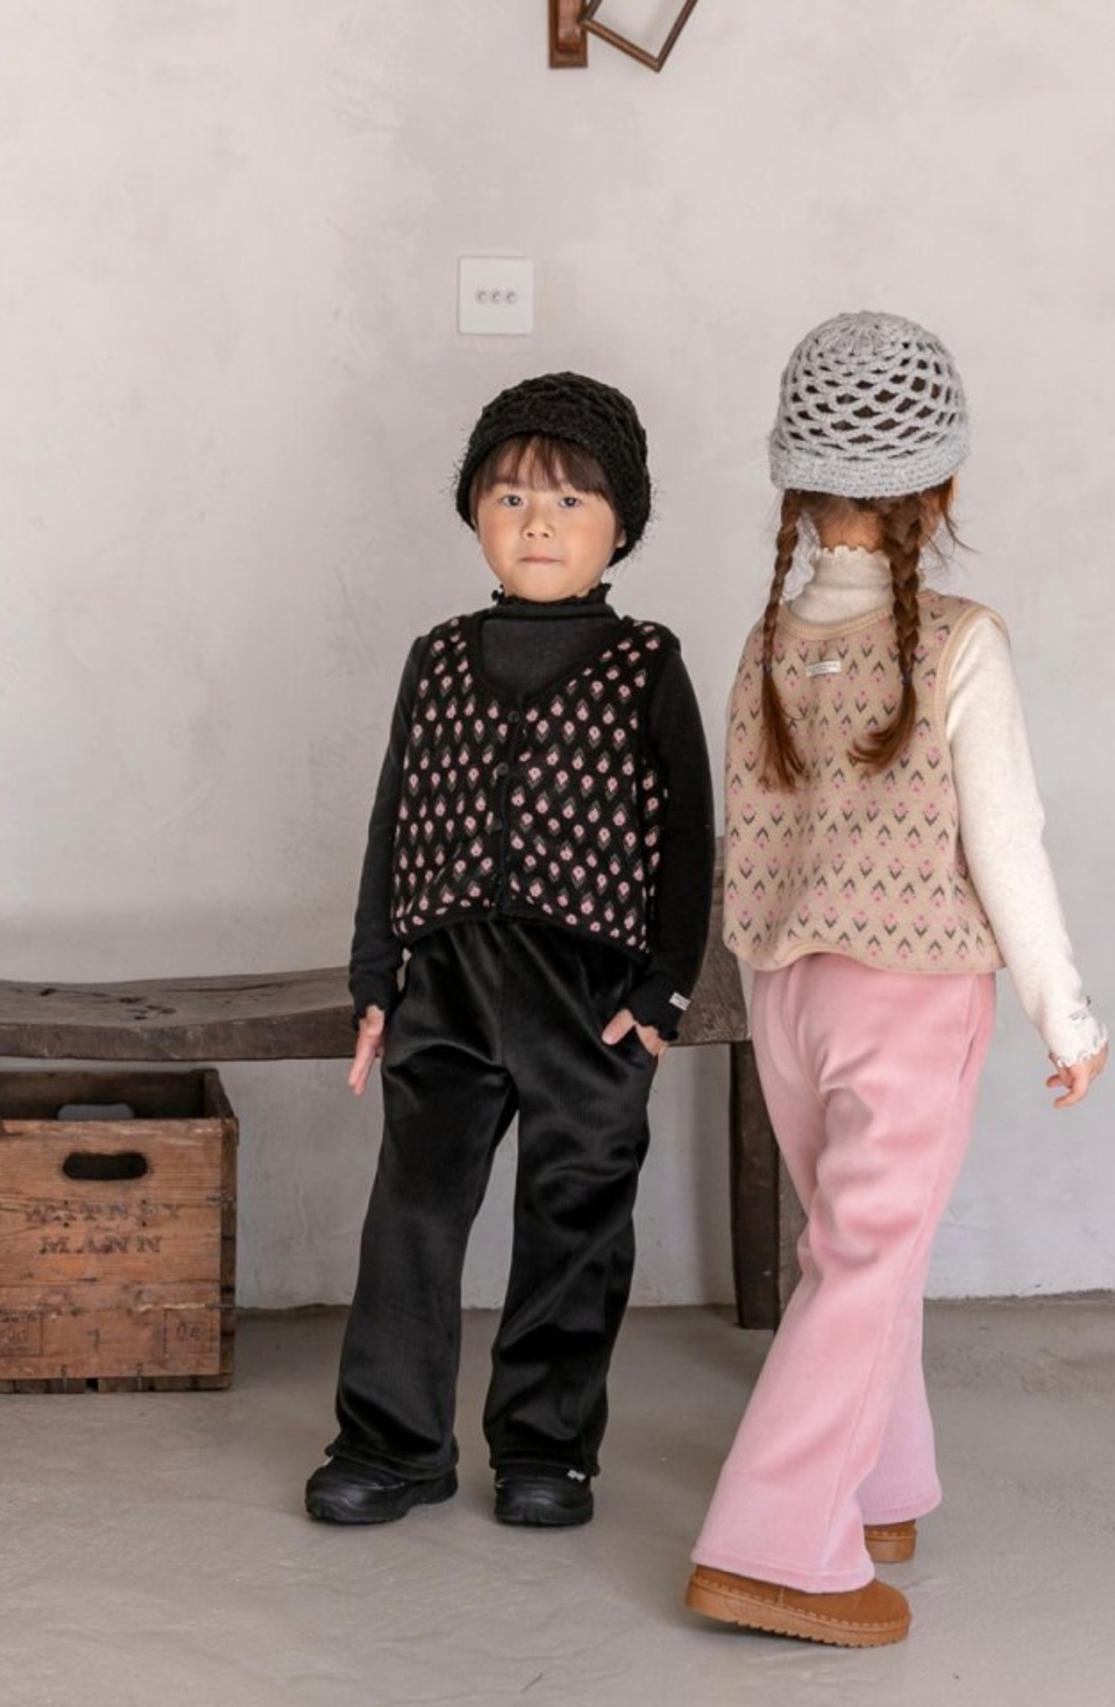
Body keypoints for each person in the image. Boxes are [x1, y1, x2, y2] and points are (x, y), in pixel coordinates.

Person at [685, 311, 1108, 1647]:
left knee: (857, 1250)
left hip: (784, 996)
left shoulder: (764, 641)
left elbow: (744, 833)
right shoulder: (960, 640)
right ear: (944, 485)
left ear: (796, 487)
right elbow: (1006, 841)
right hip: (910, 995)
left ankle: (876, 1483)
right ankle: (765, 1548)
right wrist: (1066, 1011)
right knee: (865, 1264)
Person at [305, 372, 715, 1528]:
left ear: (620, 526)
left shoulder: (644, 662)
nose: (538, 522)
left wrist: (664, 991)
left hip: (588, 992)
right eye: (510, 497)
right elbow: (393, 821)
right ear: (474, 517)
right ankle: (391, 1446)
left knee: (572, 1224)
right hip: (442, 983)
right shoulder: (437, 657)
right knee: (412, 1216)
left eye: (571, 500)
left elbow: (689, 833)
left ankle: (545, 1449)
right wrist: (375, 979)